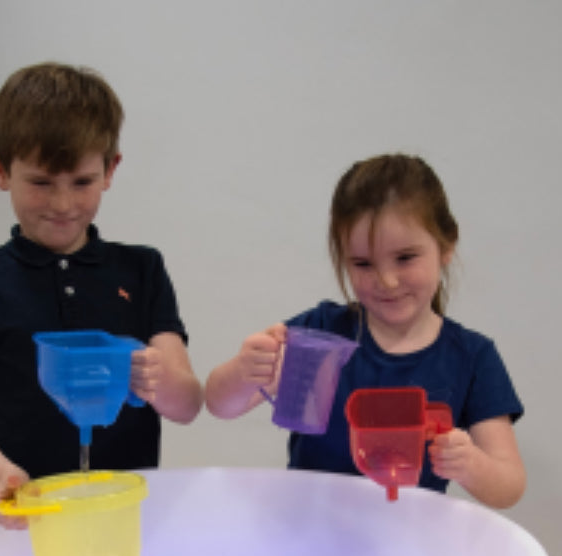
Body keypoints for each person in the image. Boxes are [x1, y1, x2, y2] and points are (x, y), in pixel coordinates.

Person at [0, 63, 203, 527]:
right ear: (0, 169)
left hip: (124, 513)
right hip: (26, 516)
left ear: (110, 169)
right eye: (41, 183)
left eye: (82, 182)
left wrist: (156, 379)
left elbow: (187, 406)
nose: (62, 205)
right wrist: (4, 474)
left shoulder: (142, 269)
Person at [205, 154, 525, 509]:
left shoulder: (472, 357)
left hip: (407, 534)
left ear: (446, 246)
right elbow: (220, 405)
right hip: (308, 529)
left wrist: (471, 466)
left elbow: (509, 485)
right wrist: (244, 372)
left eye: (405, 258)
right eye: (363, 263)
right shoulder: (319, 334)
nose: (386, 281)